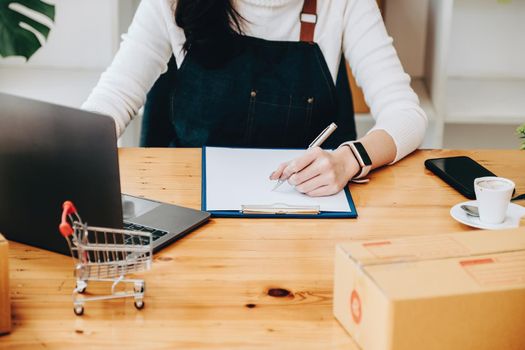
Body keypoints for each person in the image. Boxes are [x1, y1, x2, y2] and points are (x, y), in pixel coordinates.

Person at [82, 0, 428, 197]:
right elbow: (112, 98)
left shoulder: (343, 4)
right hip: (188, 205)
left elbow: (406, 115)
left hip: (302, 206)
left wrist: (351, 157)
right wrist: (65, 156)